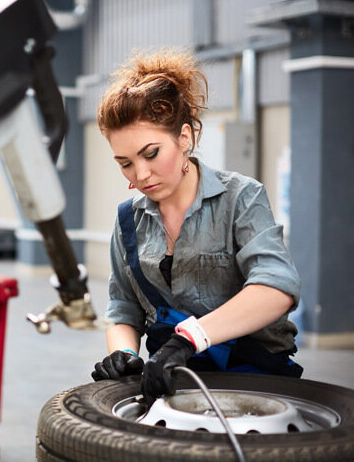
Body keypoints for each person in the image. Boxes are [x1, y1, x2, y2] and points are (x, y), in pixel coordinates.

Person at [90, 49, 303, 406]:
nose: (140, 175)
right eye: (125, 163)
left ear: (184, 138)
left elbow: (276, 287)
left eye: (151, 153)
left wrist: (190, 338)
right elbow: (123, 307)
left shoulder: (241, 199)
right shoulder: (128, 221)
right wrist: (125, 355)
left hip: (254, 378)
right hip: (168, 381)